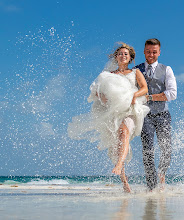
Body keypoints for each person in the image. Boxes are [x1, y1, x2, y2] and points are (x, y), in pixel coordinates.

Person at [68, 43, 149, 193]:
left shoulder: (135, 72)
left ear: (130, 58)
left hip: (131, 109)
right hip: (114, 112)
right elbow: (97, 91)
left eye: (126, 54)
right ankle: (125, 182)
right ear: (116, 57)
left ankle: (118, 165)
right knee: (117, 145)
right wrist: (102, 97)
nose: (123, 56)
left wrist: (134, 95)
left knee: (124, 132)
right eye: (120, 54)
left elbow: (144, 88)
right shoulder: (108, 75)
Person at [135, 39, 177, 190]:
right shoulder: (136, 70)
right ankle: (151, 187)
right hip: (144, 116)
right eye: (148, 51)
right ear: (144, 52)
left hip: (163, 115)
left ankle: (162, 175)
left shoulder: (166, 70)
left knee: (166, 149)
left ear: (159, 52)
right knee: (147, 151)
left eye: (154, 52)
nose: (151, 54)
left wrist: (151, 97)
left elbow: (172, 94)